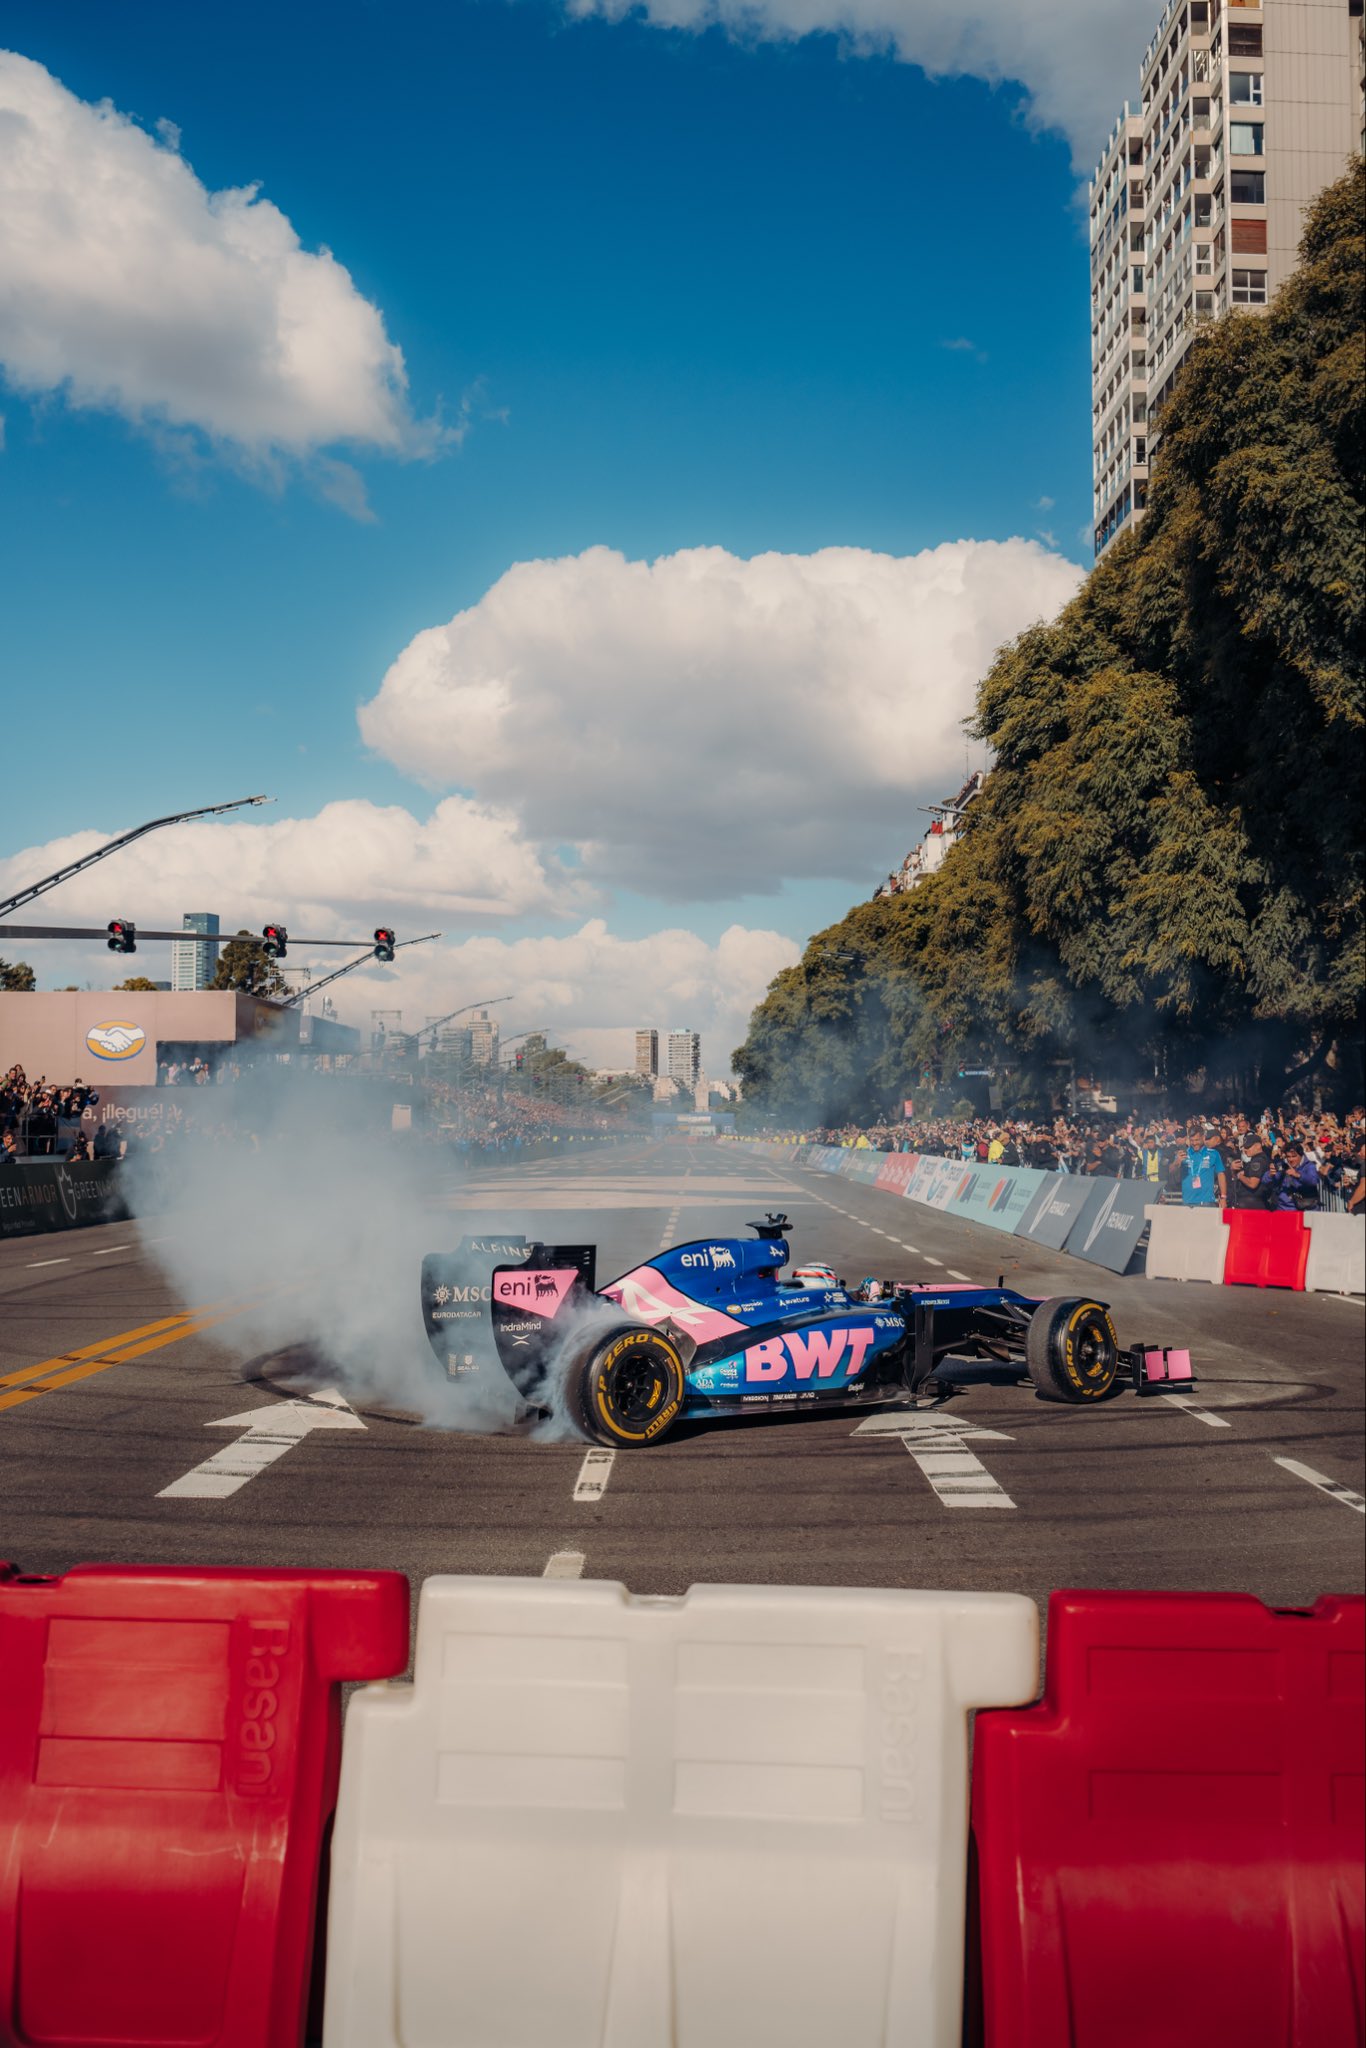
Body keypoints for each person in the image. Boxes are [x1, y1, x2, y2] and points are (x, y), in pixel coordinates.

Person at [1261, 1143, 1319, 1211]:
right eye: (1288, 1156)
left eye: (1294, 1156)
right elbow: (1264, 1180)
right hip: (1283, 1208)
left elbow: (1314, 1181)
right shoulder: (1282, 1165)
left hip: (1304, 1209)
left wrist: (1298, 1175)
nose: (1291, 1159)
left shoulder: (1309, 1166)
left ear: (1301, 1155)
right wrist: (1270, 1175)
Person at [1180, 1128, 1227, 1208]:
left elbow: (1221, 1174)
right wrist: (1176, 1163)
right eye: (1192, 1140)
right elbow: (1171, 1173)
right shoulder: (1183, 1154)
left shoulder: (1214, 1154)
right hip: (1187, 1201)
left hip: (1206, 1201)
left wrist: (1223, 1197)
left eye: (1197, 1140)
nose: (1194, 1143)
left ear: (1203, 1138)